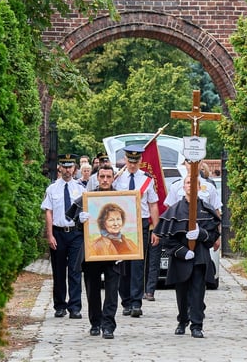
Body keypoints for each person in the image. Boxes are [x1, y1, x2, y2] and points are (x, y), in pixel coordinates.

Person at [154, 174, 221, 338]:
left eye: (194, 183)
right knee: (182, 293)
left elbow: (212, 236)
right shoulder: (174, 209)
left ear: (199, 187)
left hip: (200, 257)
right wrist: (183, 252)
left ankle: (197, 325)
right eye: (188, 182)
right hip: (181, 258)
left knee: (198, 291)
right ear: (183, 186)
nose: (191, 185)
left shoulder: (206, 209)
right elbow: (167, 240)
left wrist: (201, 234)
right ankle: (183, 320)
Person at [67, 165, 122, 339]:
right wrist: (79, 220)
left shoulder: (122, 198)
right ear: (97, 178)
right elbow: (74, 222)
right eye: (102, 177)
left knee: (112, 291)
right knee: (92, 289)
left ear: (113, 178)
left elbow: (130, 225)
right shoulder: (86, 198)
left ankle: (108, 325)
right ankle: (95, 323)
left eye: (108, 176)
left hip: (115, 252)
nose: (105, 180)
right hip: (93, 250)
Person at [113, 144, 159, 317]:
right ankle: (125, 300)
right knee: (122, 264)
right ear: (125, 160)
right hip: (121, 225)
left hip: (140, 224)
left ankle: (136, 302)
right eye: (130, 161)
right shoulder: (118, 179)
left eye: (136, 161)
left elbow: (153, 205)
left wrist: (157, 229)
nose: (132, 165)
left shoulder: (147, 179)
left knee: (138, 265)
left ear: (141, 160)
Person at [40, 153, 84, 319]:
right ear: (59, 167)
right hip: (58, 232)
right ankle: (59, 305)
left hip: (75, 234)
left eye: (70, 166)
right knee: (58, 272)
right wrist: (50, 235)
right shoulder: (52, 189)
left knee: (75, 270)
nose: (67, 170)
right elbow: (49, 212)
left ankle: (75, 306)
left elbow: (86, 210)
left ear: (74, 168)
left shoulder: (80, 189)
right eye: (64, 166)